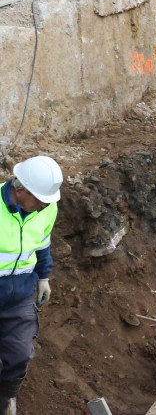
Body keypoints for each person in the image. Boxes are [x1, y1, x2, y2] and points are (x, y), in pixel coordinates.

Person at [0, 156, 61, 413]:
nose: (45, 205)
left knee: (19, 354)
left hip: (22, 292)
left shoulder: (46, 208)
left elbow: (42, 244)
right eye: (40, 199)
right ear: (20, 189)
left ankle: (5, 399)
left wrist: (43, 277)